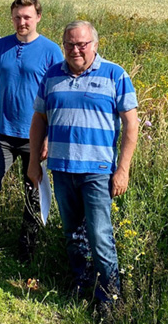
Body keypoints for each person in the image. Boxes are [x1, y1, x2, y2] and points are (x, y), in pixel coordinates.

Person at [27, 20, 139, 309]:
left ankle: (109, 297)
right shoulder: (52, 75)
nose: (75, 50)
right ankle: (82, 282)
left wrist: (123, 169)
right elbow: (39, 119)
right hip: (62, 168)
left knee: (100, 235)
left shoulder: (115, 74)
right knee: (73, 233)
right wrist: (33, 161)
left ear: (95, 45)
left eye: (82, 44)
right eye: (69, 44)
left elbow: (131, 124)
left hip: (97, 172)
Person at [0, 0, 64, 264]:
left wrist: (48, 137)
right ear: (11, 17)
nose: (22, 22)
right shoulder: (0, 46)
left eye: (27, 17)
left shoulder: (51, 51)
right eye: (17, 17)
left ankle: (26, 250)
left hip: (35, 137)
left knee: (32, 192)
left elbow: (56, 97)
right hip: (2, 133)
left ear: (38, 17)